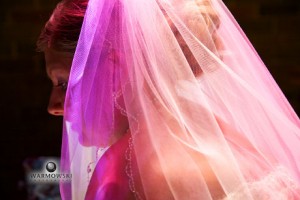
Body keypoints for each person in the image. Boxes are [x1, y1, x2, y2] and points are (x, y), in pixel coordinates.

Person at [37, 0, 300, 199]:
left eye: (63, 83)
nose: (54, 107)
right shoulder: (235, 141)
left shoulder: (121, 174)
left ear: (113, 71)